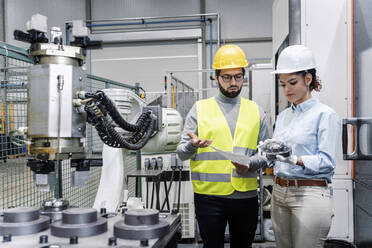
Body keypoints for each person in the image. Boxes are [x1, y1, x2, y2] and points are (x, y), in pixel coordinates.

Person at [176, 44, 270, 248]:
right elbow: (181, 154)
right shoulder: (199, 109)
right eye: (226, 77)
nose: (233, 82)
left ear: (244, 76)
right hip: (208, 197)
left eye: (238, 77)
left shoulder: (256, 111)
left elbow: (267, 154)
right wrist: (192, 146)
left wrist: (251, 163)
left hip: (245, 196)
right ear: (216, 77)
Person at [267, 45, 341, 248]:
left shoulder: (325, 115)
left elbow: (327, 162)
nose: (286, 90)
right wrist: (268, 153)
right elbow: (277, 153)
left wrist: (295, 159)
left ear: (308, 79)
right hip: (280, 192)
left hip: (310, 194)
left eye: (292, 82)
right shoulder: (283, 117)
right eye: (282, 85)